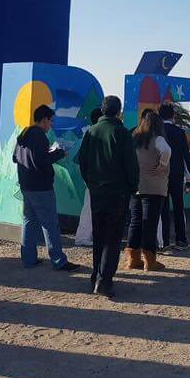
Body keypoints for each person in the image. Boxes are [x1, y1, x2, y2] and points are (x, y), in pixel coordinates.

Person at [78, 95, 139, 298]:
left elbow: (83, 162)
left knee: (98, 236)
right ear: (118, 111)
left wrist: (91, 182)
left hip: (97, 192)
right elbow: (131, 165)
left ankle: (95, 276)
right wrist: (132, 187)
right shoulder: (121, 133)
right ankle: (104, 282)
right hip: (117, 193)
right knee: (112, 239)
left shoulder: (92, 131)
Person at [13, 105, 79, 272]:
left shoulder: (24, 134)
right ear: (44, 120)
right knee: (50, 224)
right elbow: (41, 160)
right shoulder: (40, 136)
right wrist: (59, 153)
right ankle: (59, 260)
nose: (51, 124)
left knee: (29, 222)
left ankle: (29, 259)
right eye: (51, 121)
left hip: (26, 185)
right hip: (41, 187)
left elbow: (16, 157)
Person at [124, 111, 171, 270]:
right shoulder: (158, 139)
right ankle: (150, 260)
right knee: (150, 223)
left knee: (135, 222)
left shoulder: (134, 139)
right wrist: (162, 165)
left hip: (136, 186)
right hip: (154, 187)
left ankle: (133, 258)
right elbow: (166, 151)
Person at [159, 102, 190, 251]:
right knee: (179, 207)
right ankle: (181, 239)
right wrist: (189, 178)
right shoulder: (179, 132)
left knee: (163, 208)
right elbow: (186, 157)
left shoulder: (157, 131)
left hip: (160, 175)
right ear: (173, 115)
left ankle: (164, 241)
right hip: (176, 174)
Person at [74, 108, 104, 247]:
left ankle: (87, 235)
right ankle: (83, 236)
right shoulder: (95, 134)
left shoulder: (89, 133)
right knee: (89, 207)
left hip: (92, 177)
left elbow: (80, 159)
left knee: (92, 207)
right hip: (95, 177)